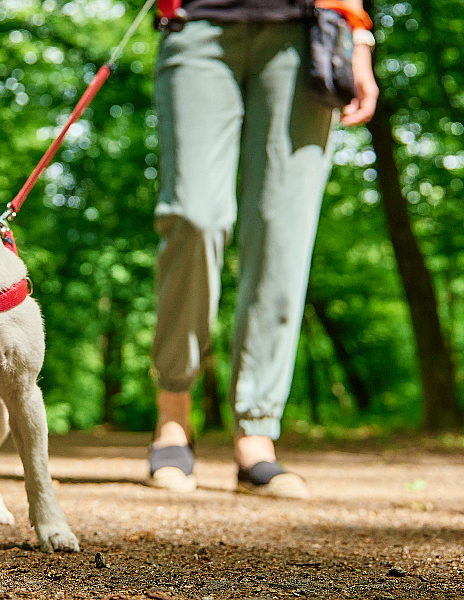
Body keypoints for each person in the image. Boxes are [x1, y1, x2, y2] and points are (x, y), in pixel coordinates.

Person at [147, 0, 378, 496]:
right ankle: (173, 415)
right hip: (197, 25)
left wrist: (359, 39)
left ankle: (256, 432)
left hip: (304, 30)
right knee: (194, 217)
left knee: (282, 229)